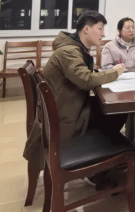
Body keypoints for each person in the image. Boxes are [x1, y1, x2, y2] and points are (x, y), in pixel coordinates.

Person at [23, 11, 125, 173]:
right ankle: (98, 166)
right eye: (100, 28)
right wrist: (114, 73)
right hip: (65, 118)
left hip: (67, 108)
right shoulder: (69, 52)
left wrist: (100, 73)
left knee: (112, 109)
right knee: (117, 111)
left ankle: (102, 162)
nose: (103, 34)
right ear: (86, 29)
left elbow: (82, 76)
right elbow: (86, 80)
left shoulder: (73, 48)